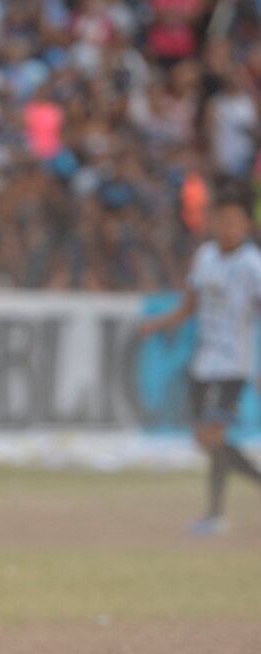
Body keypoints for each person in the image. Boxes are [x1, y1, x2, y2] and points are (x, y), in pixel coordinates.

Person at [139, 187, 261, 535]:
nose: (227, 227)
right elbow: (189, 306)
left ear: (246, 225)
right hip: (204, 362)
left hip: (234, 363)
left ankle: (221, 509)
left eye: (234, 222)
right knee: (208, 440)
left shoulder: (252, 264)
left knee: (210, 434)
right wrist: (159, 323)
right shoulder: (205, 256)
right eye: (221, 220)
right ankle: (214, 515)